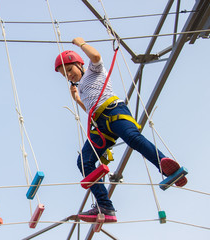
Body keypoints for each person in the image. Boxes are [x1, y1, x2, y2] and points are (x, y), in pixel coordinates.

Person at [54, 37, 187, 222]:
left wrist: (80, 43)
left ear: (79, 64)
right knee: (84, 161)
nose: (69, 76)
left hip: (114, 111)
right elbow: (91, 110)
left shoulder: (94, 71)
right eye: (65, 75)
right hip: (100, 124)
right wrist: (78, 100)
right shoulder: (81, 88)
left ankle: (168, 169)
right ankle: (105, 206)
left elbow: (96, 56)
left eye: (69, 70)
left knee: (133, 138)